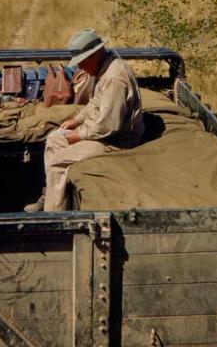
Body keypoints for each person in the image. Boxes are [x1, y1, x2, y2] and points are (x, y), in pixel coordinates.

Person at [24, 28, 145, 212]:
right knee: (53, 139)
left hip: (116, 141)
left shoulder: (114, 78)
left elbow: (109, 125)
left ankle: (55, 217)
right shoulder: (104, 69)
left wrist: (79, 135)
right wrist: (77, 120)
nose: (80, 68)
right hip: (100, 132)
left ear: (95, 55)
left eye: (82, 62)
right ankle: (51, 193)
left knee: (58, 163)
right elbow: (95, 102)